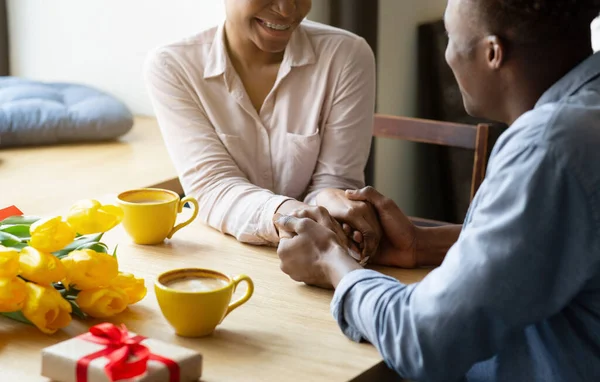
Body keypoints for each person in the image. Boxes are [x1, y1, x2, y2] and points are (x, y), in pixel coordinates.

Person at [275, 0, 600, 380]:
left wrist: (331, 260)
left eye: (451, 37)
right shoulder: (583, 119)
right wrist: (423, 244)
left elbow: (423, 339)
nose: (446, 55)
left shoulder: (549, 148)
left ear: (492, 53)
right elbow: (555, 240)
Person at [144, 0, 380, 257]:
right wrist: (290, 216)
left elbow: (335, 182)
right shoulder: (174, 66)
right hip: (223, 256)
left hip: (320, 256)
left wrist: (328, 207)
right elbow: (211, 186)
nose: (288, 10)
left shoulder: (346, 56)